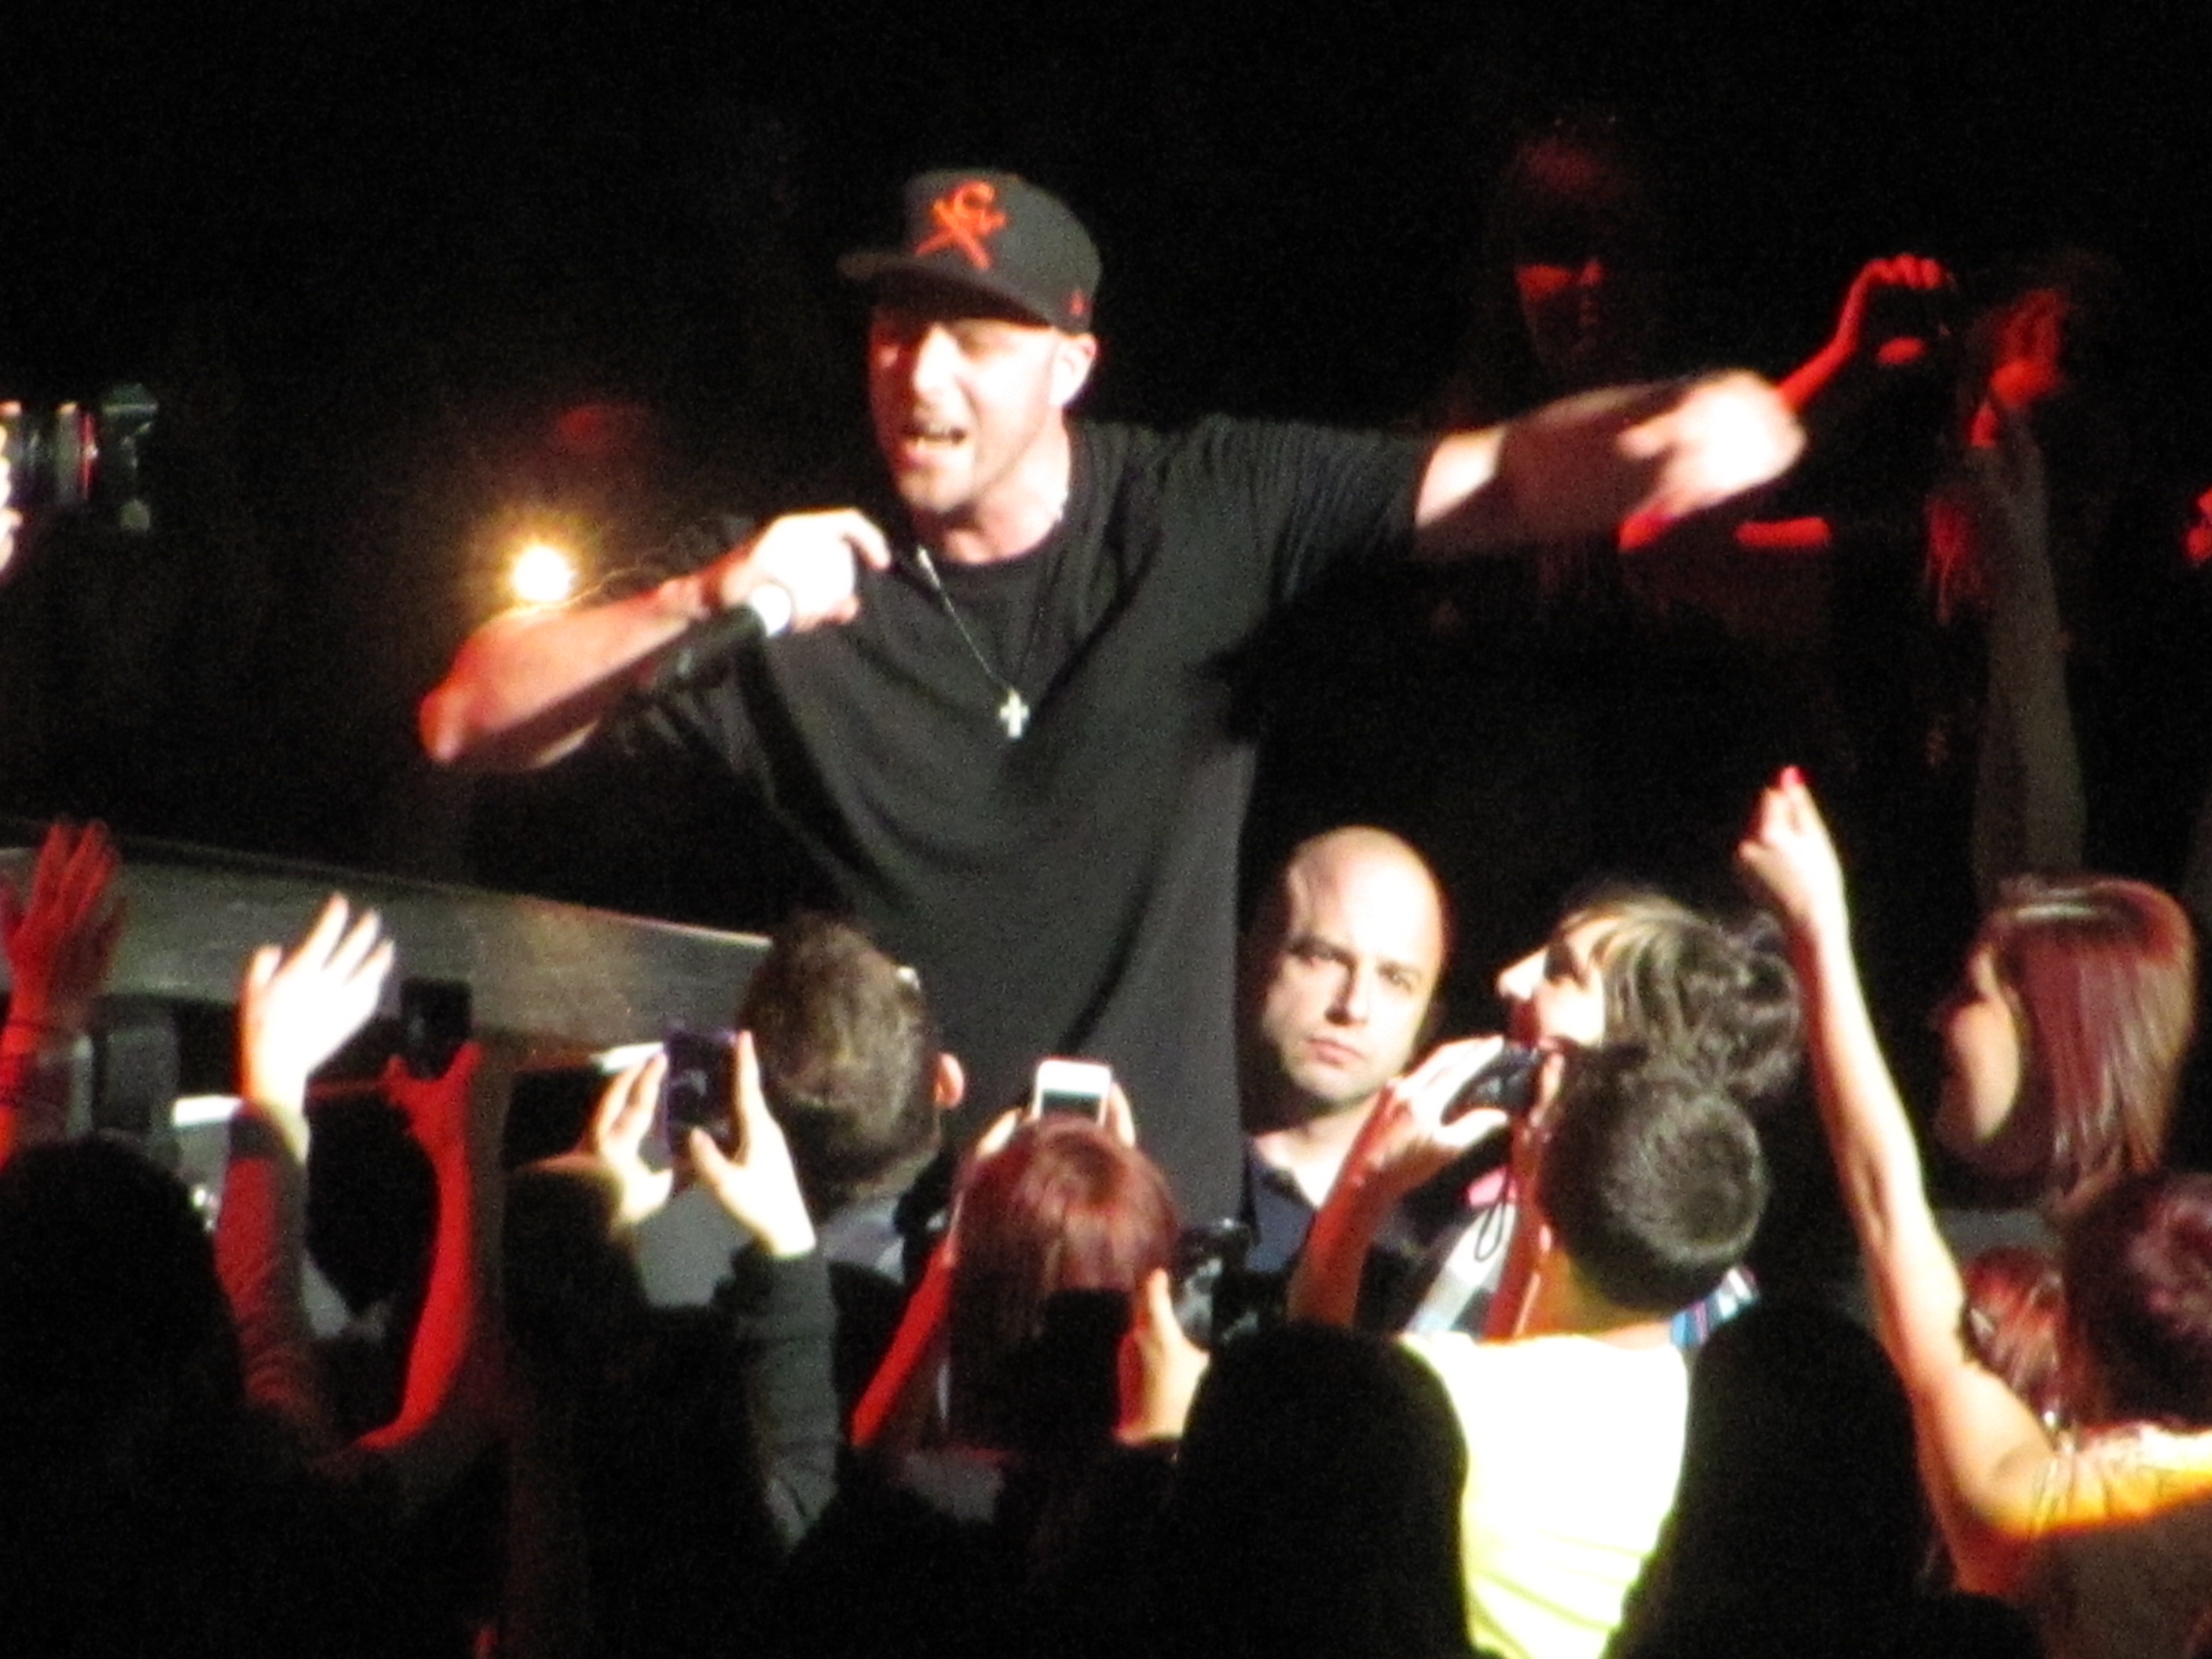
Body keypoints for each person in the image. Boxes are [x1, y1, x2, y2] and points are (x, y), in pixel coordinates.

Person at [418, 167, 1804, 1218]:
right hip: (887, 1238)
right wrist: (695, 601)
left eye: (978, 339)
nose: (921, 373)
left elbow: (1493, 478)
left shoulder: (1203, 511)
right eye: (897, 329)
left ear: (1072, 367)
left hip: (1153, 1240)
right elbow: (465, 715)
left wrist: (1670, 428)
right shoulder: (792, 571)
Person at [1738, 768, 2212, 1659]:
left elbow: (1884, 1205)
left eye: (1970, 991)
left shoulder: (2040, 1514)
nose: (1935, 1017)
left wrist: (1818, 932)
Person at [1291, 1038, 1769, 1659]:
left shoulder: (1432, 1398)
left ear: (1542, 1229)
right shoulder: (1725, 1447)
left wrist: (1365, 1182)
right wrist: (1537, 1196)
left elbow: (1303, 1397)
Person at [1239, 826, 1452, 1279]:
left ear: (1427, 1024)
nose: (1354, 1006)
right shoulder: (1149, 1165)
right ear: (1252, 958)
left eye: (1396, 980)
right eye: (1323, 957)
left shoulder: (1432, 1257)